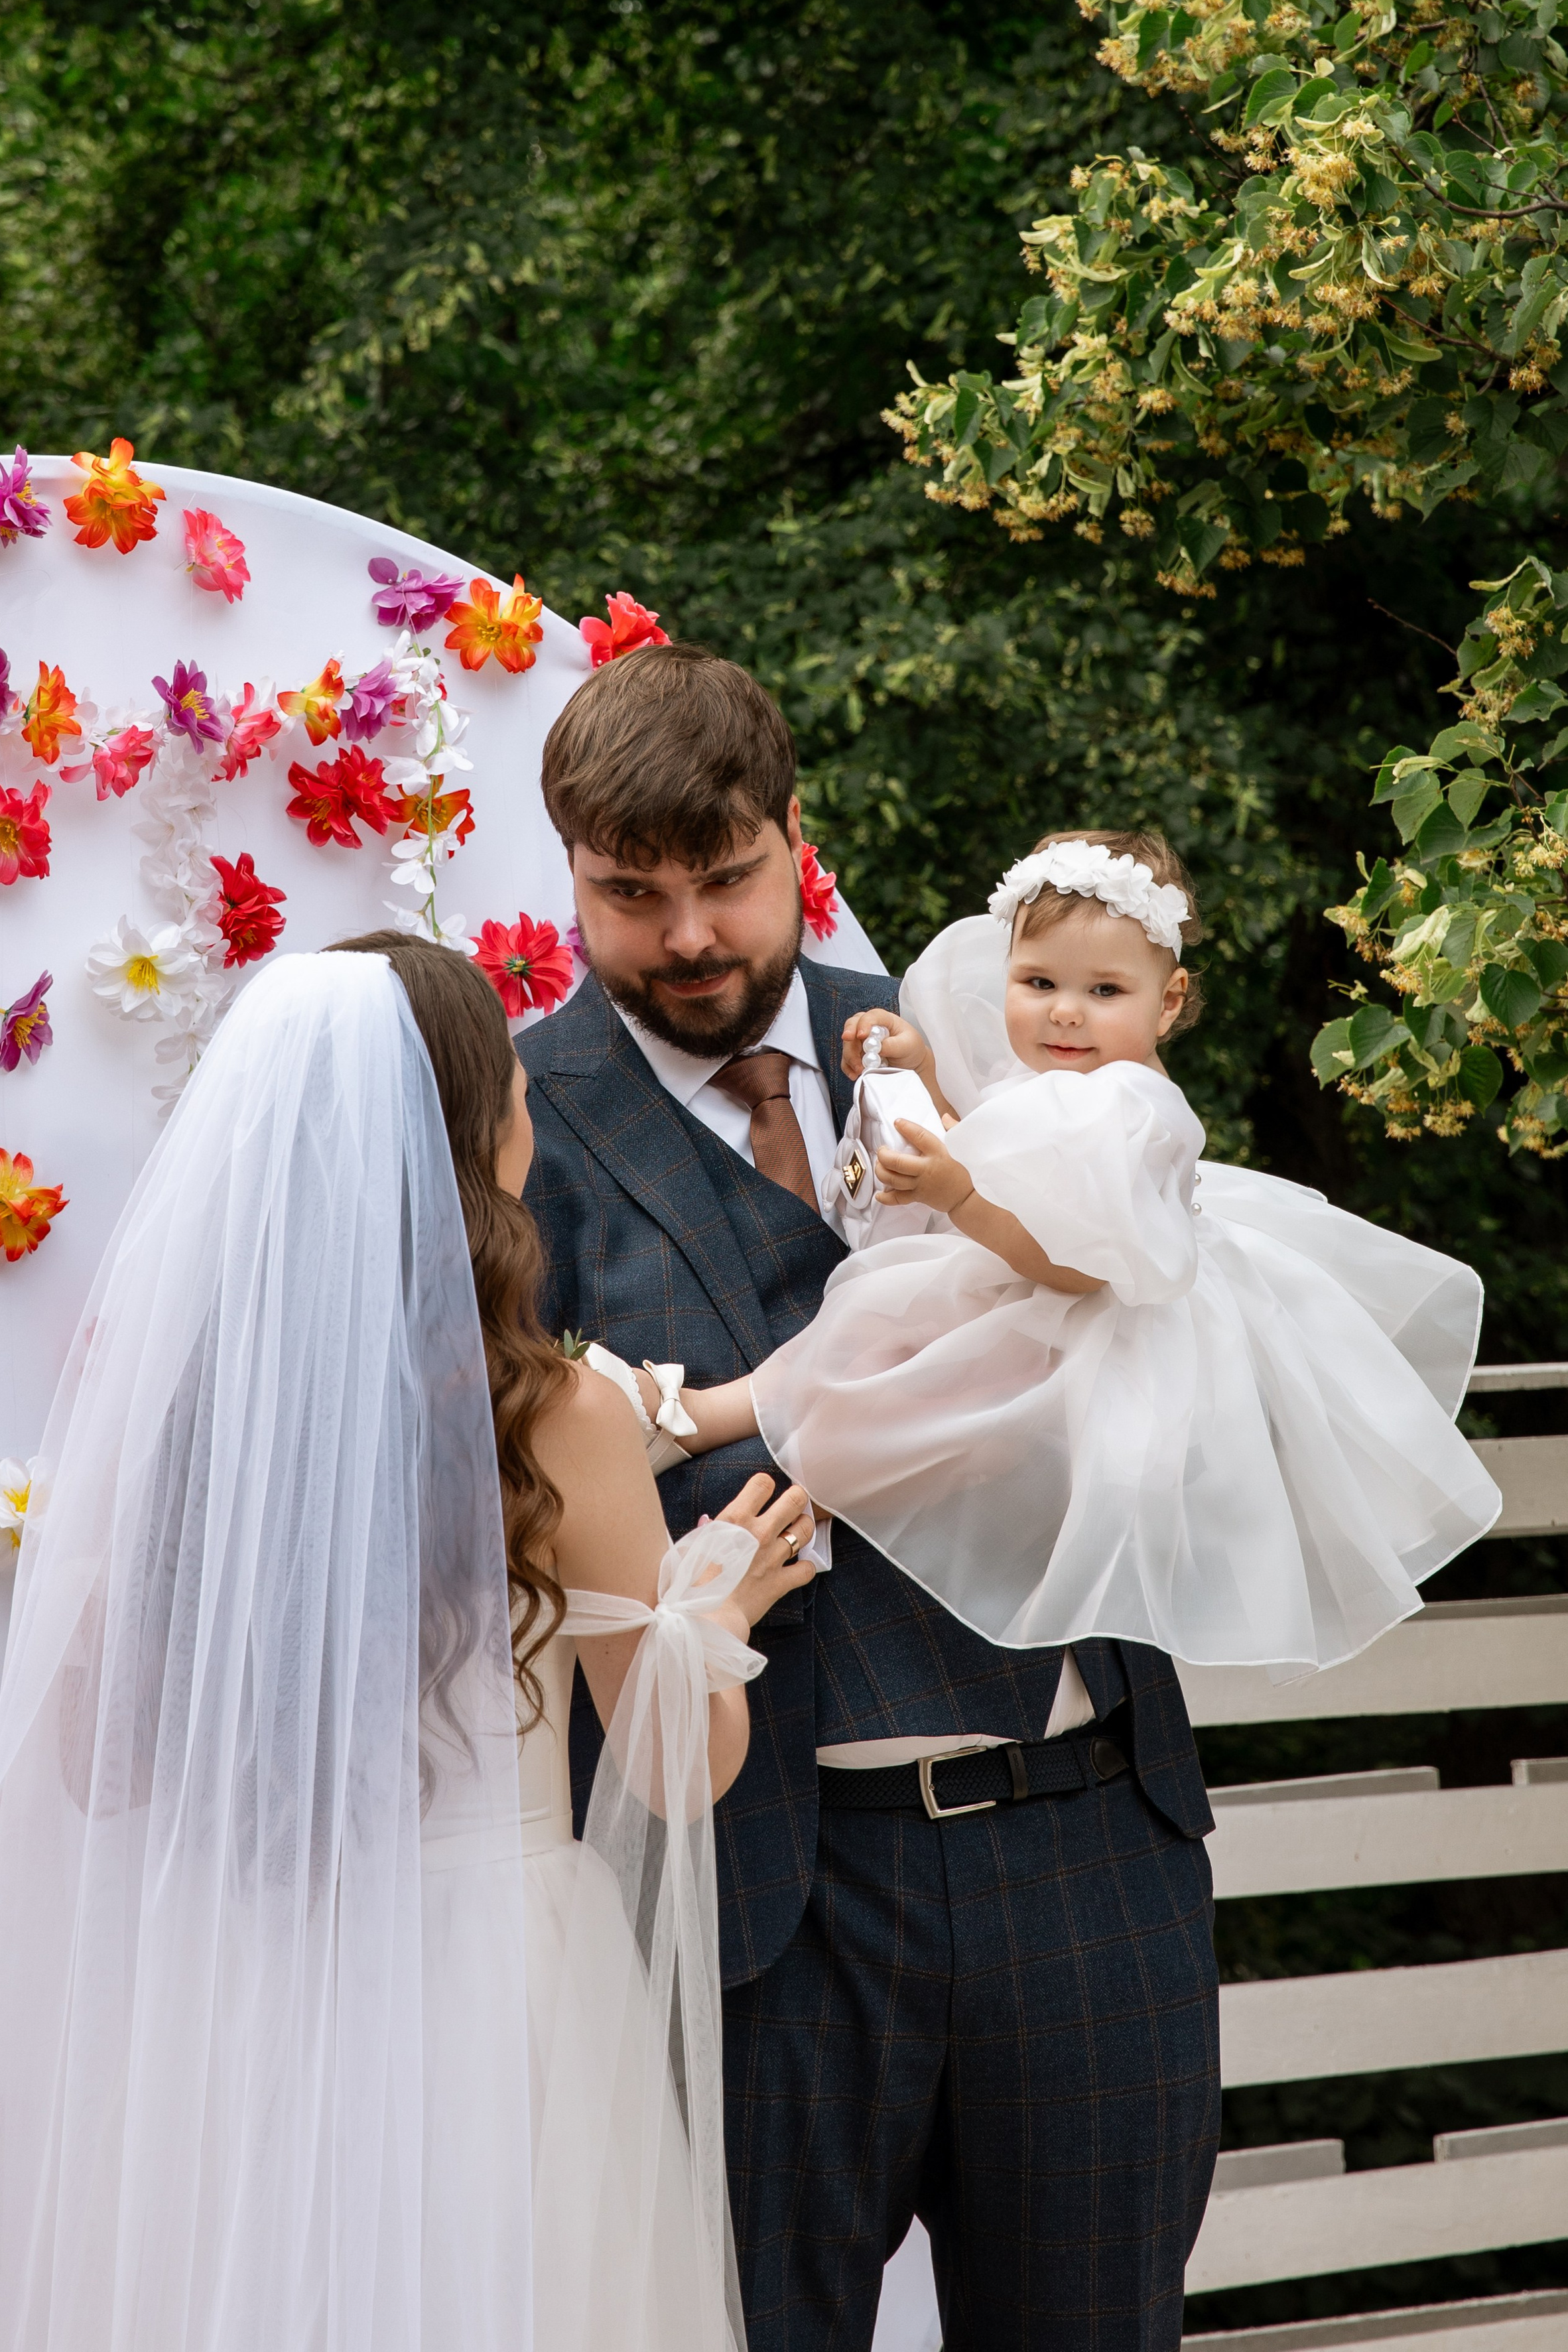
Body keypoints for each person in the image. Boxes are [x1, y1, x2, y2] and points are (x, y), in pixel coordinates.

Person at [0, 941, 813, 2352]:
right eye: (511, 1095)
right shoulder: (554, 1414)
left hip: (245, 1993)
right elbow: (676, 1767)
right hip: (491, 1998)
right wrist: (720, 1604)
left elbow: (95, 1764)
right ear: (469, 1139)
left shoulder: (196, 1411)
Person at [517, 647, 1222, 2352]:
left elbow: (1165, 1302)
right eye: (631, 894)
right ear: (568, 876)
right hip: (750, 1902)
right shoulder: (509, 1123)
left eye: (726, 880)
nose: (688, 935)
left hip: (1085, 1836)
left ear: (792, 833)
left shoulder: (1007, 1027)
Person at [660, 831, 1500, 1673]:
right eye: (1038, 983)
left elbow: (1074, 1265)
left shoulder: (1131, 1110)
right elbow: (995, 1143)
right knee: (874, 1340)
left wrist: (957, 1198)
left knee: (890, 1366)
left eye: (1103, 990)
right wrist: (924, 1077)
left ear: (1168, 1002)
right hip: (1029, 1298)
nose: (1064, 1011)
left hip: (1090, 1326)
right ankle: (719, 1426)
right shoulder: (1064, 1081)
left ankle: (762, 1464)